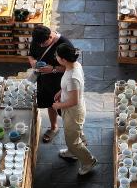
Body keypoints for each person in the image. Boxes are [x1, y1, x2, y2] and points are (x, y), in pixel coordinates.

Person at [51, 43, 97, 175]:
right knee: (71, 133)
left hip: (73, 111)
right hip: (72, 108)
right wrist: (61, 91)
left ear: (64, 59)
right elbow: (71, 89)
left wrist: (58, 105)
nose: (56, 57)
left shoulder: (72, 77)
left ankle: (89, 161)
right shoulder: (74, 65)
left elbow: (73, 100)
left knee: (72, 140)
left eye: (57, 56)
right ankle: (72, 152)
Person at [27, 26, 72, 143]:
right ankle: (54, 127)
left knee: (65, 110)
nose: (41, 46)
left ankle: (73, 132)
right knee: (49, 104)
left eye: (44, 44)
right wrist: (33, 62)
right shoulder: (38, 39)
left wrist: (52, 69)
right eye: (39, 44)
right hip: (44, 80)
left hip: (60, 83)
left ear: (51, 36)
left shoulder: (65, 45)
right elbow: (31, 54)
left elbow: (71, 67)